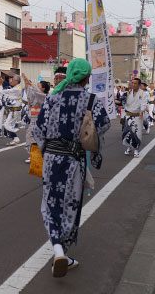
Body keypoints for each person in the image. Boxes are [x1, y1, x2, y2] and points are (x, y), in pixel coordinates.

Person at [32, 58, 110, 278]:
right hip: (75, 162)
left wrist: (48, 151)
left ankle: (58, 251)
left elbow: (39, 130)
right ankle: (62, 252)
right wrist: (94, 155)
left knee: (50, 204)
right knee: (70, 206)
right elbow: (103, 126)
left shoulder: (53, 97)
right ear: (86, 77)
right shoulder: (91, 100)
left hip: (51, 161)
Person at [21, 73, 50, 163]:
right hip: (33, 119)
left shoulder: (44, 97)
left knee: (32, 137)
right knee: (31, 137)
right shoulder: (35, 96)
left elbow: (37, 92)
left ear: (43, 89)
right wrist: (26, 81)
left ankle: (35, 156)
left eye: (39, 86)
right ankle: (36, 155)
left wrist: (31, 84)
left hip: (40, 120)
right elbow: (28, 93)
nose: (36, 87)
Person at [0, 75, 23, 146]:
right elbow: (7, 89)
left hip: (15, 111)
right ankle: (15, 137)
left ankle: (15, 134)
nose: (11, 81)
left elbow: (8, 91)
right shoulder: (15, 87)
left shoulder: (17, 89)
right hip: (12, 110)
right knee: (7, 125)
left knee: (6, 125)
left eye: (13, 80)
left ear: (16, 81)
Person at [120, 78, 146, 157]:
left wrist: (141, 111)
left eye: (135, 83)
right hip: (128, 116)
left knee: (137, 133)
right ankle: (129, 147)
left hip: (138, 116)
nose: (133, 85)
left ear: (139, 85)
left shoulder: (142, 94)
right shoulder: (127, 93)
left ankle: (136, 150)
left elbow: (143, 103)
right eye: (132, 83)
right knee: (128, 133)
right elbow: (122, 103)